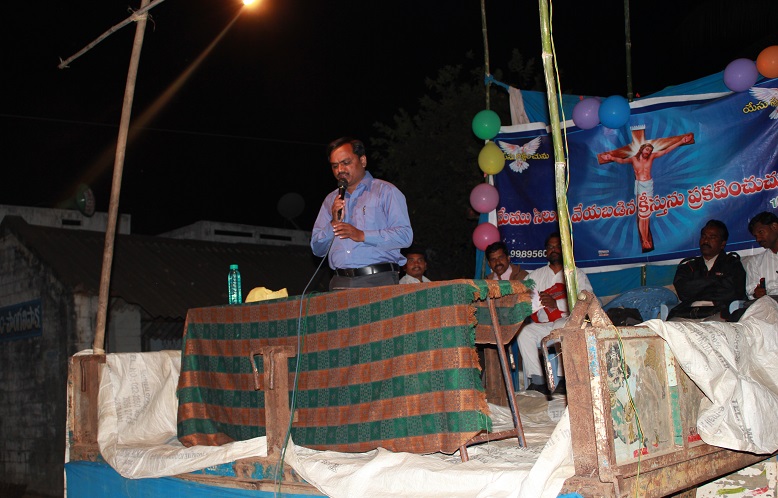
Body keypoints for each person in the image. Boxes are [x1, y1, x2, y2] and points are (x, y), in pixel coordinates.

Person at [311, 137, 413, 290]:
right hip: (339, 281)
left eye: (346, 163)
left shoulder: (386, 191)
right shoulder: (330, 200)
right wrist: (333, 223)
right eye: (335, 166)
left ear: (363, 160)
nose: (340, 170)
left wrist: (362, 235)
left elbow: (404, 236)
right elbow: (317, 249)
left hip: (377, 280)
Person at [517, 232, 592, 394]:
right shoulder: (535, 276)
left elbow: (587, 301)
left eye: (558, 246)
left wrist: (556, 304)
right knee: (524, 332)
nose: (554, 250)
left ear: (565, 250)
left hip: (568, 322)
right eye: (550, 247)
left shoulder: (576, 274)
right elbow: (522, 297)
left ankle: (563, 379)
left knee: (560, 326)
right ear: (546, 251)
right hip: (544, 325)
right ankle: (538, 380)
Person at [601, 133, 693, 253]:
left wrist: (681, 141)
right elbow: (622, 161)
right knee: (642, 214)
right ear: (642, 149)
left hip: (648, 185)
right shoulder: (634, 159)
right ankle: (644, 239)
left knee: (647, 215)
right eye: (646, 149)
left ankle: (646, 239)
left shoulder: (652, 157)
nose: (648, 151)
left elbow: (666, 151)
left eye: (650, 150)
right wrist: (611, 158)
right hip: (640, 186)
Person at [665, 220, 745, 321]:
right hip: (688, 312)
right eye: (703, 236)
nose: (706, 241)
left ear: (722, 244)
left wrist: (698, 287)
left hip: (719, 312)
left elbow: (733, 292)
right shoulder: (689, 266)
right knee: (667, 328)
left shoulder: (732, 264)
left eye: (712, 237)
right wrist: (715, 280)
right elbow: (683, 292)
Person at [745, 211, 778, 300]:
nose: (758, 239)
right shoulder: (754, 262)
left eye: (761, 232)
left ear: (775, 227)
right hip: (768, 303)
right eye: (755, 236)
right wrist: (756, 294)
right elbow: (751, 293)